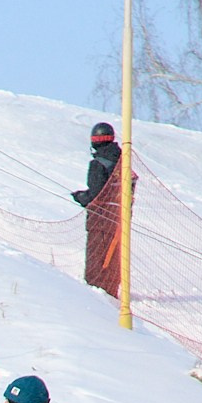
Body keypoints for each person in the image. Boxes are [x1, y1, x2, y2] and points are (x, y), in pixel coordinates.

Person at [72, 122, 125, 297]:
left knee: (98, 257)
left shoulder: (98, 164)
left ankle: (98, 292)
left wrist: (81, 197)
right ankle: (111, 288)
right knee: (114, 257)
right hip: (120, 217)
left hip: (100, 221)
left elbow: (96, 195)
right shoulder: (123, 163)